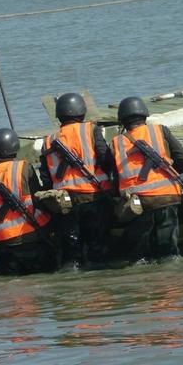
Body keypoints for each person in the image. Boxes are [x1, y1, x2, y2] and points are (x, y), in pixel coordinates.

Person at [111, 97, 183, 261]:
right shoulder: (160, 130)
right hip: (168, 197)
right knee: (169, 251)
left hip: (138, 203)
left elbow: (114, 177)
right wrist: (171, 175)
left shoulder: (117, 142)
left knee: (140, 254)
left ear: (122, 120)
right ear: (145, 115)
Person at [39, 92, 113, 268]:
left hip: (64, 203)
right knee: (97, 247)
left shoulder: (48, 141)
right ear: (82, 111)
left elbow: (45, 177)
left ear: (59, 115)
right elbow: (105, 158)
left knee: (71, 252)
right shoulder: (91, 130)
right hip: (93, 198)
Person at [0, 128, 56, 275]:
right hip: (33, 237)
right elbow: (38, 198)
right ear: (15, 147)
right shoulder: (24, 168)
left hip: (6, 244)